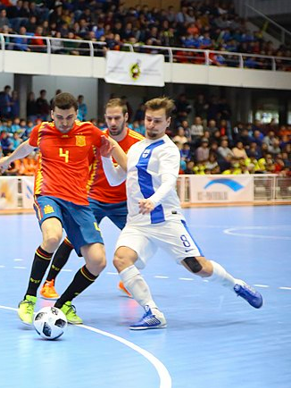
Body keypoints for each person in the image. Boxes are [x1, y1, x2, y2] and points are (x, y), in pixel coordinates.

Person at [99, 96, 263, 330]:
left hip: (165, 219)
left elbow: (169, 182)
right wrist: (107, 158)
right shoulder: (135, 148)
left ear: (168, 123)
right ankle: (152, 312)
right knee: (121, 259)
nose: (151, 125)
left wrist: (153, 201)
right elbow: (116, 179)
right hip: (136, 223)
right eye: (148, 120)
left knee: (198, 267)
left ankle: (236, 285)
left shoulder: (168, 150)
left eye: (157, 121)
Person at [0, 92, 108, 326]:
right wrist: (8, 159)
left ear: (76, 114)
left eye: (69, 117)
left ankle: (62, 305)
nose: (64, 123)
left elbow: (111, 145)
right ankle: (28, 299)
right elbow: (27, 148)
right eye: (59, 117)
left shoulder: (89, 131)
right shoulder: (42, 130)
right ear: (52, 115)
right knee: (53, 237)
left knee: (97, 261)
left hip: (79, 202)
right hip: (49, 195)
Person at [39, 98, 145, 300]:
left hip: (124, 203)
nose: (112, 122)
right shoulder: (95, 138)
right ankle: (49, 282)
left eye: (116, 118)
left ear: (126, 117)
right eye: (108, 118)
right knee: (70, 240)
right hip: (94, 198)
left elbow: (137, 174)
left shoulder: (138, 143)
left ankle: (127, 280)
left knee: (140, 240)